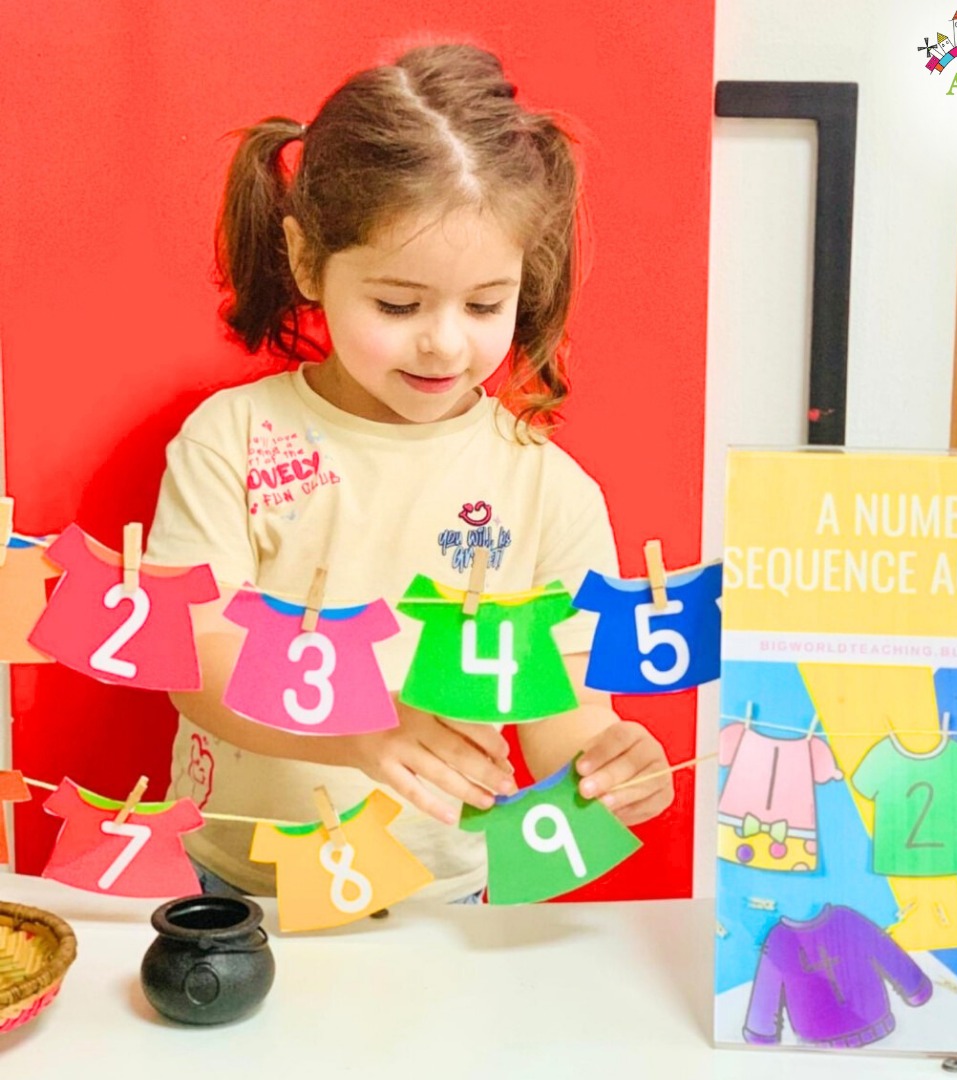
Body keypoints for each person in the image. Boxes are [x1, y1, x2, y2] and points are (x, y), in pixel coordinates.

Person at [145, 42, 674, 902]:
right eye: (398, 304)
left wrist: (605, 762)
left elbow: (561, 707)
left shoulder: (547, 487)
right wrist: (361, 730)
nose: (444, 342)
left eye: (485, 303)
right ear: (307, 261)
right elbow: (195, 658)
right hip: (237, 888)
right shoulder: (232, 440)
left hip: (446, 895)